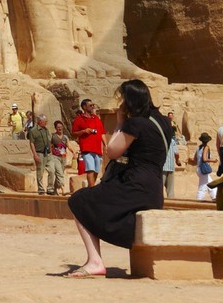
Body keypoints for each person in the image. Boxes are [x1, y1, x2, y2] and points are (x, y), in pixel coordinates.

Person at [66, 79, 175, 276]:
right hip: (153, 188)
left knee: (79, 200)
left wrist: (119, 123)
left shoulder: (135, 123)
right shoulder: (163, 121)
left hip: (134, 184)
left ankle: (94, 261)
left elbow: (112, 151)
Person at [72, 99, 105, 187]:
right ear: (84, 107)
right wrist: (83, 131)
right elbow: (74, 133)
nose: (92, 107)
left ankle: (91, 188)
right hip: (87, 148)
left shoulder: (96, 118)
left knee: (96, 171)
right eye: (90, 105)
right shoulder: (79, 119)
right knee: (90, 169)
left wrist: (106, 145)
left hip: (97, 149)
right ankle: (92, 189)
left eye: (93, 105)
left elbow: (102, 132)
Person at [26, 113, 52, 194]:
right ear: (40, 121)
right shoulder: (33, 131)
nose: (46, 122)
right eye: (45, 121)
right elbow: (32, 143)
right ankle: (41, 188)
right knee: (40, 172)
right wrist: (35, 154)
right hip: (39, 153)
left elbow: (49, 139)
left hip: (48, 153)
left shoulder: (46, 130)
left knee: (52, 170)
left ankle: (50, 187)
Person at [44, 120, 71, 195]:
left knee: (60, 173)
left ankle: (55, 189)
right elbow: (50, 146)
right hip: (55, 157)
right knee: (60, 173)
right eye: (58, 127)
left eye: (61, 126)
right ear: (55, 128)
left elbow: (68, 146)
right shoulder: (53, 136)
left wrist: (74, 152)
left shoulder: (65, 137)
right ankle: (63, 189)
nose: (60, 128)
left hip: (63, 158)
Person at [161, 113, 182, 198]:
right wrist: (177, 161)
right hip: (171, 167)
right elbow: (176, 153)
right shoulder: (172, 141)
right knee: (170, 190)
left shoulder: (160, 141)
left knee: (159, 188)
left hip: (162, 167)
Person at [195, 132, 215, 201]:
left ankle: (215, 197)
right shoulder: (206, 147)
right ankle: (199, 199)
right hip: (203, 169)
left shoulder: (198, 148)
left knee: (210, 183)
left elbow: (194, 160)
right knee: (203, 186)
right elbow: (204, 159)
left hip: (199, 168)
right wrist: (213, 160)